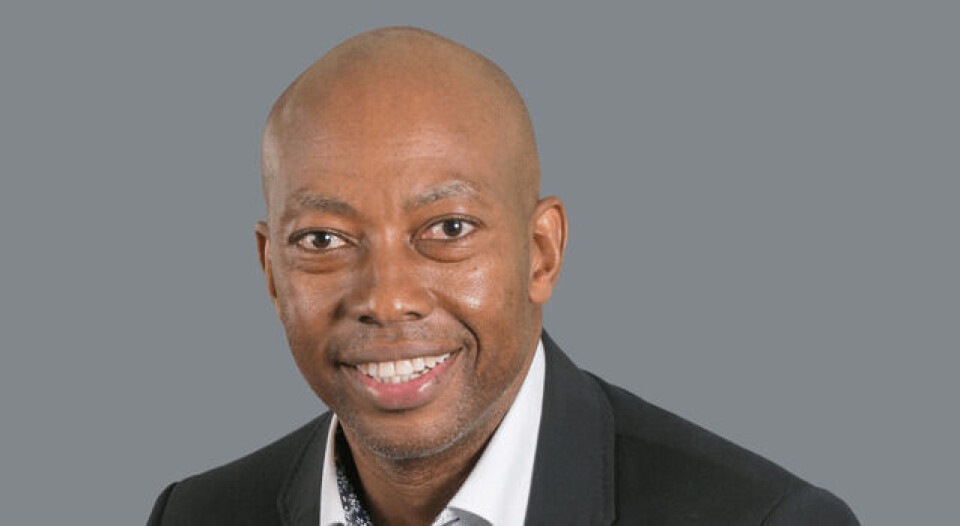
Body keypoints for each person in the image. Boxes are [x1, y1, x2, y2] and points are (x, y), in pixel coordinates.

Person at [148, 26, 859, 525]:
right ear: (272, 273)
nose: (386, 298)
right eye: (324, 239)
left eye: (448, 230)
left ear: (541, 254)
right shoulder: (196, 516)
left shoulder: (762, 520)